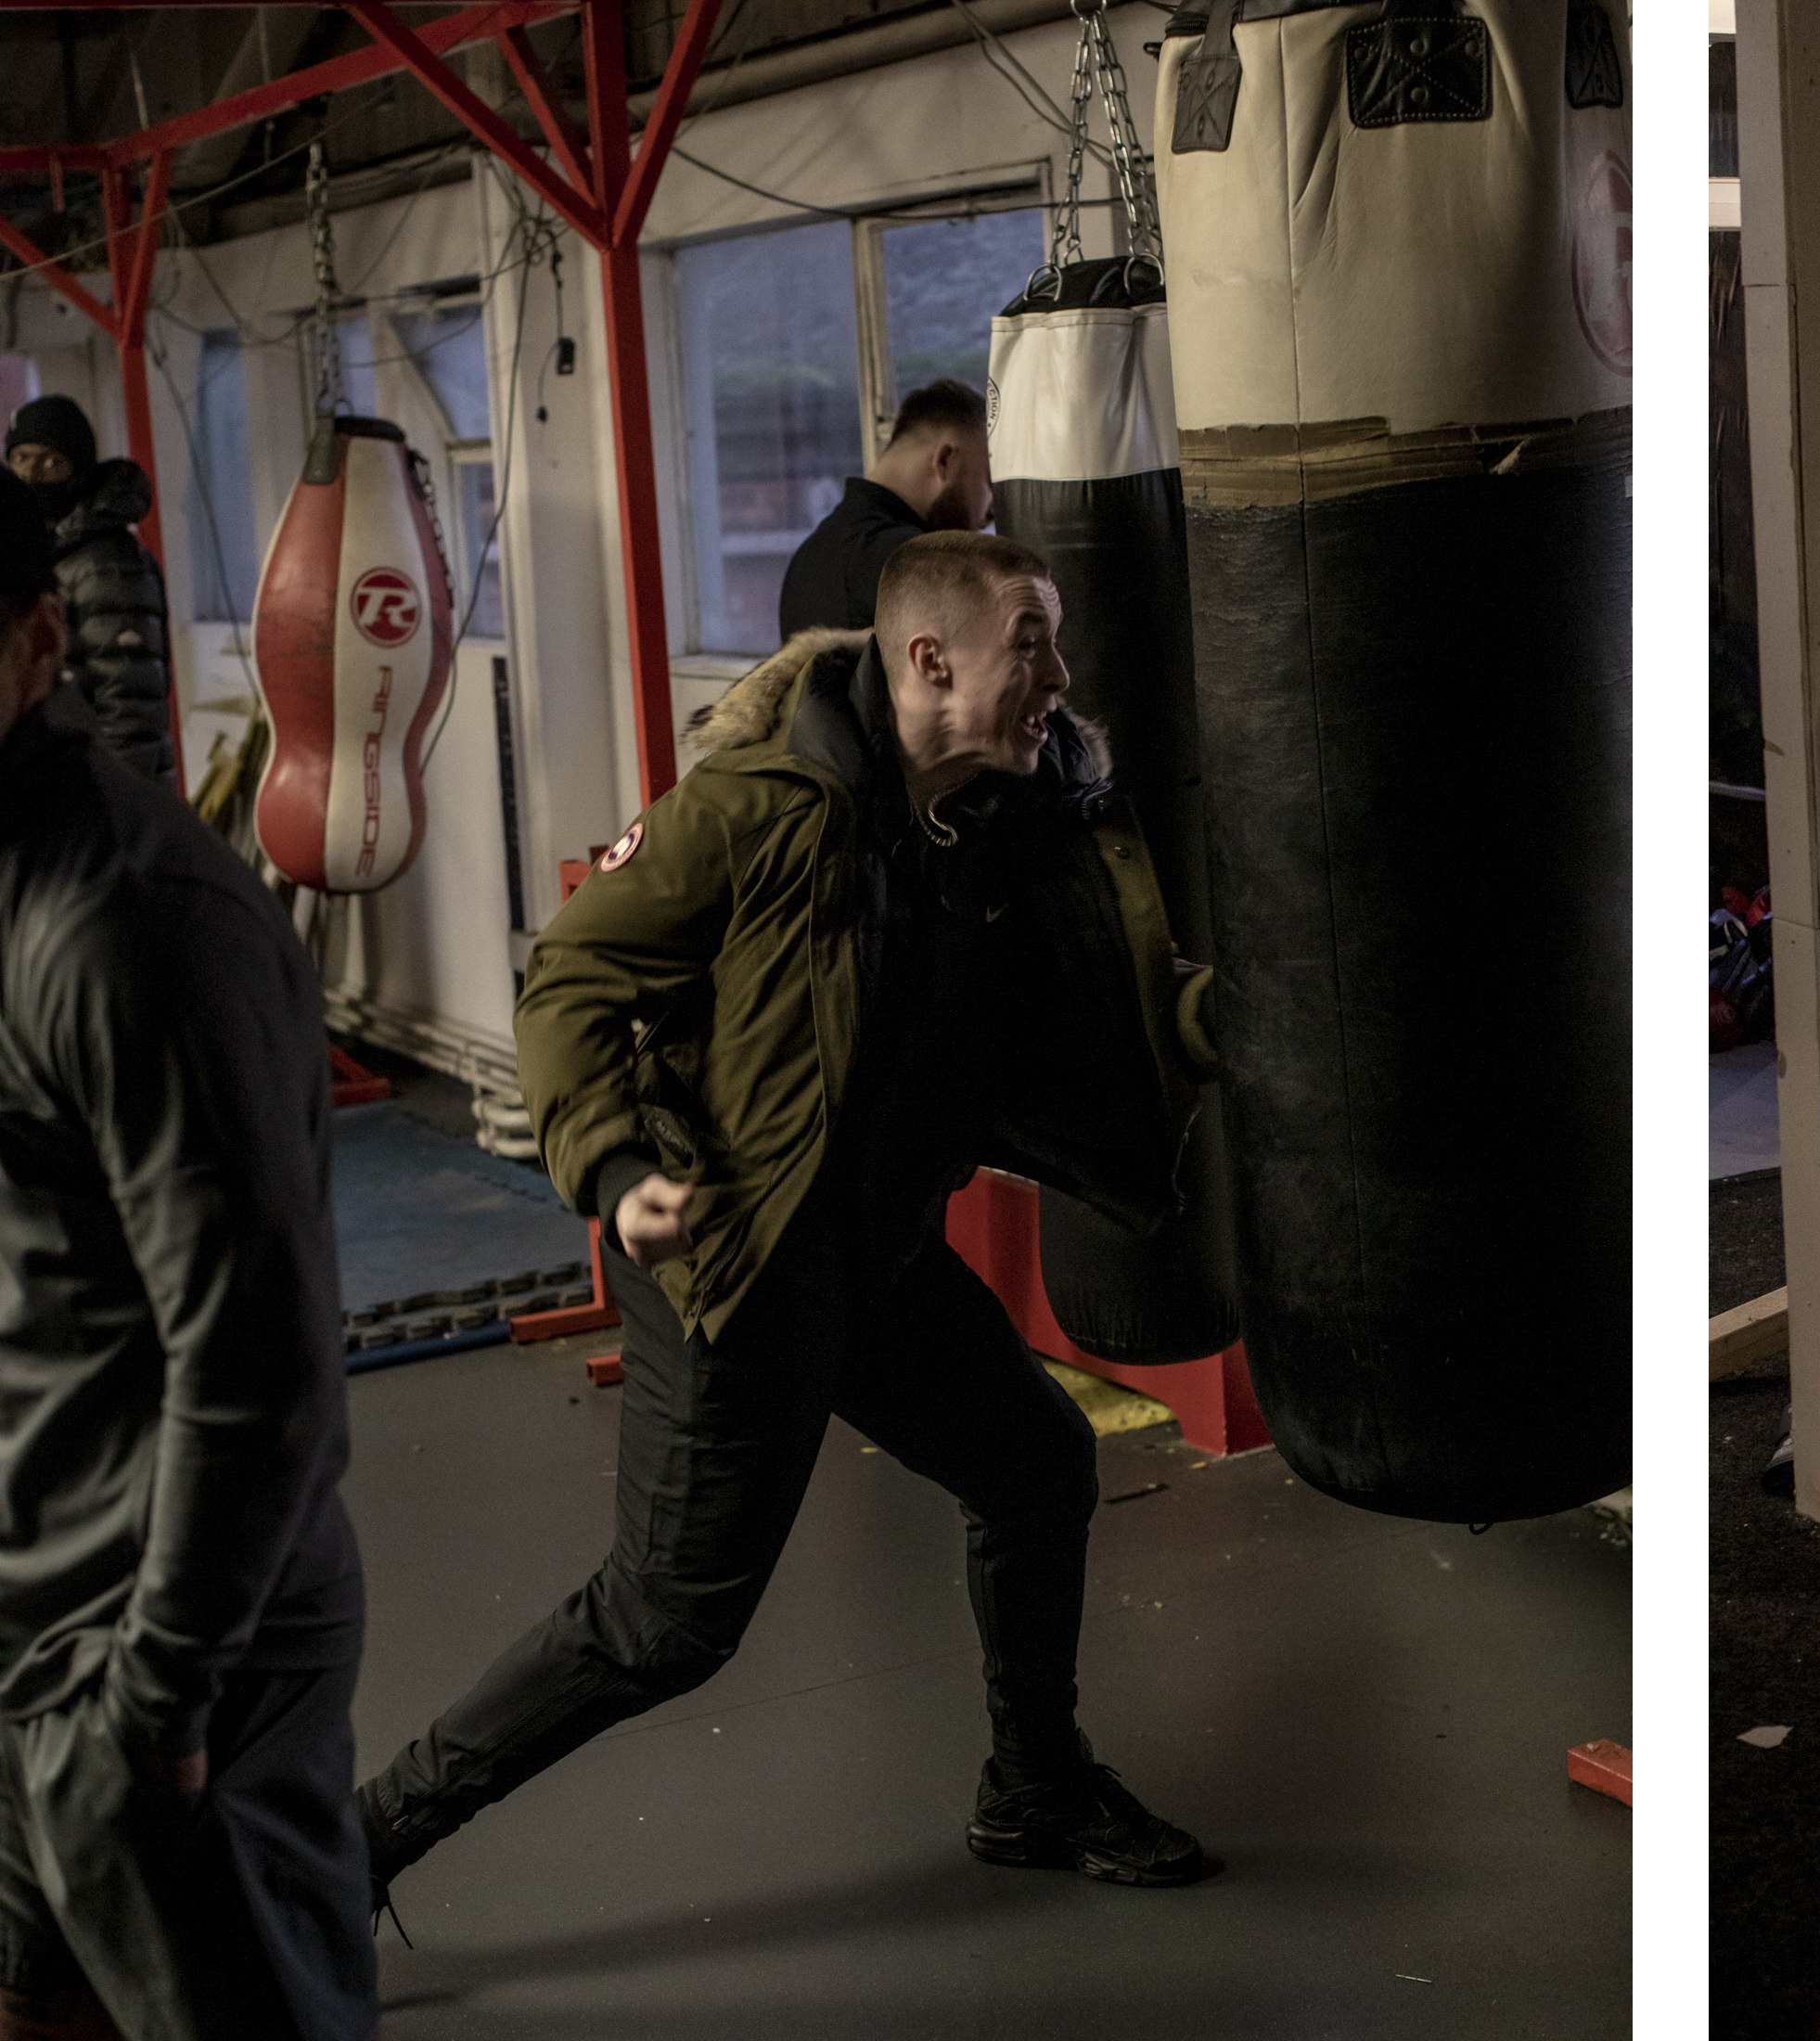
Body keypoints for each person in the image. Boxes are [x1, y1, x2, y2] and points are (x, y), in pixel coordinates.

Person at [359, 532, 1218, 1910]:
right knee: (667, 1624)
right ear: (930, 661)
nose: (1060, 675)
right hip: (730, 1250)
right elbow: (571, 980)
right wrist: (612, 1164)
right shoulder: (761, 808)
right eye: (1031, 644)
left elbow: (1083, 982)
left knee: (1037, 1469)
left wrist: (1193, 1024)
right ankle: (351, 1848)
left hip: (870, 1243)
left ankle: (1035, 1788)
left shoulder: (1015, 806)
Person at [0, 469, 375, 2038]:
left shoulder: (129, 927)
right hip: (38, 1620)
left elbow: (257, 1356)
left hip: (161, 1649)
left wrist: (157, 1695)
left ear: (33, 645)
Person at [6, 395, 174, 789]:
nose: (31, 473)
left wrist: (115, 812)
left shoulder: (109, 563)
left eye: (51, 461)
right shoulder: (36, 555)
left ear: (78, 472)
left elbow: (129, 707)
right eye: (21, 458)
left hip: (111, 805)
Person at [776, 379, 995, 636]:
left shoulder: (807, 558)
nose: (992, 514)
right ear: (945, 461)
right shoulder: (913, 562)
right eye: (989, 482)